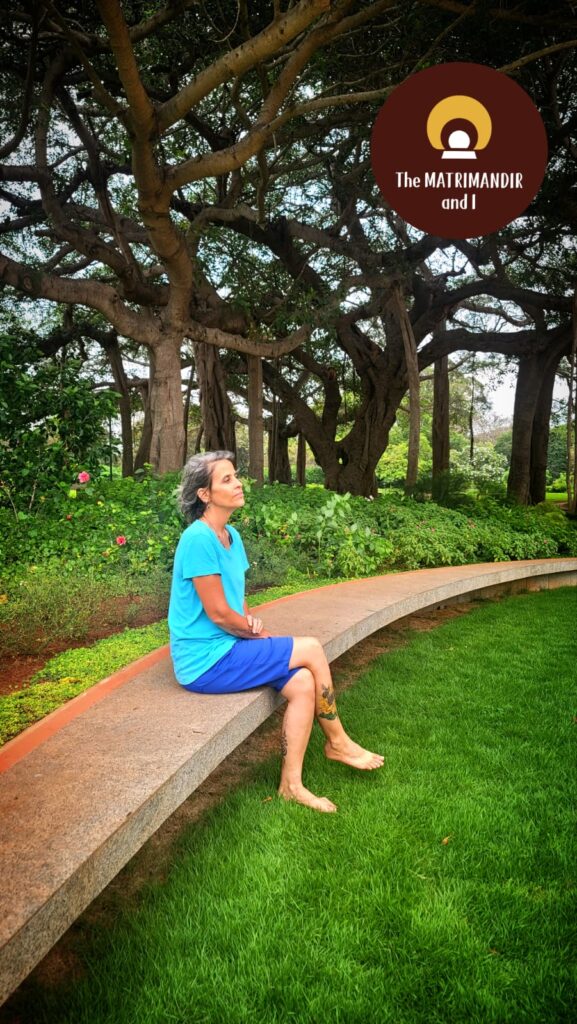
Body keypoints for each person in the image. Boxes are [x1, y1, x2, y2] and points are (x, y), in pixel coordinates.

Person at [168, 451, 384, 813]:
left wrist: (251, 627)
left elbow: (237, 601)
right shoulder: (198, 539)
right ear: (204, 494)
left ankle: (291, 785)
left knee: (301, 684)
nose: (238, 483)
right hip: (204, 659)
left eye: (236, 476)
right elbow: (219, 613)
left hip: (228, 645)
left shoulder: (230, 535)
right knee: (312, 649)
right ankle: (338, 741)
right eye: (226, 479)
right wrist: (250, 632)